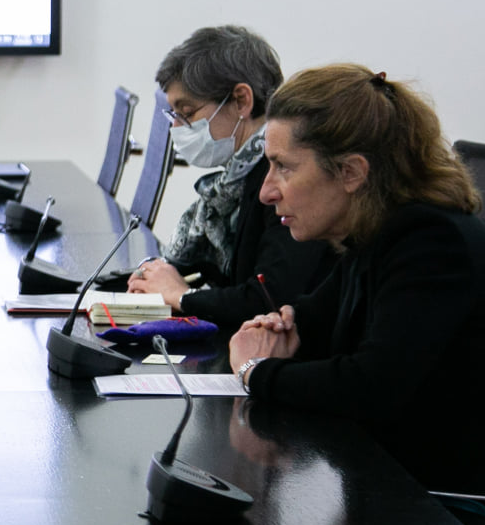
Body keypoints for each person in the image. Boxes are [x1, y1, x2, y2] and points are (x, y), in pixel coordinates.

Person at [228, 64, 485, 498]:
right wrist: (277, 331)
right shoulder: (377, 233)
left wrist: (255, 371)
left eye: (283, 167)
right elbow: (308, 322)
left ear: (351, 173)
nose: (267, 191)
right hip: (419, 481)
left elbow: (369, 386)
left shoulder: (431, 244)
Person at [125, 26, 333, 329]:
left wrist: (181, 296)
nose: (176, 129)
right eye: (174, 116)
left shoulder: (283, 182)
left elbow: (270, 300)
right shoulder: (234, 182)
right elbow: (206, 271)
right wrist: (152, 276)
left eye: (187, 112)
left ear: (241, 101)